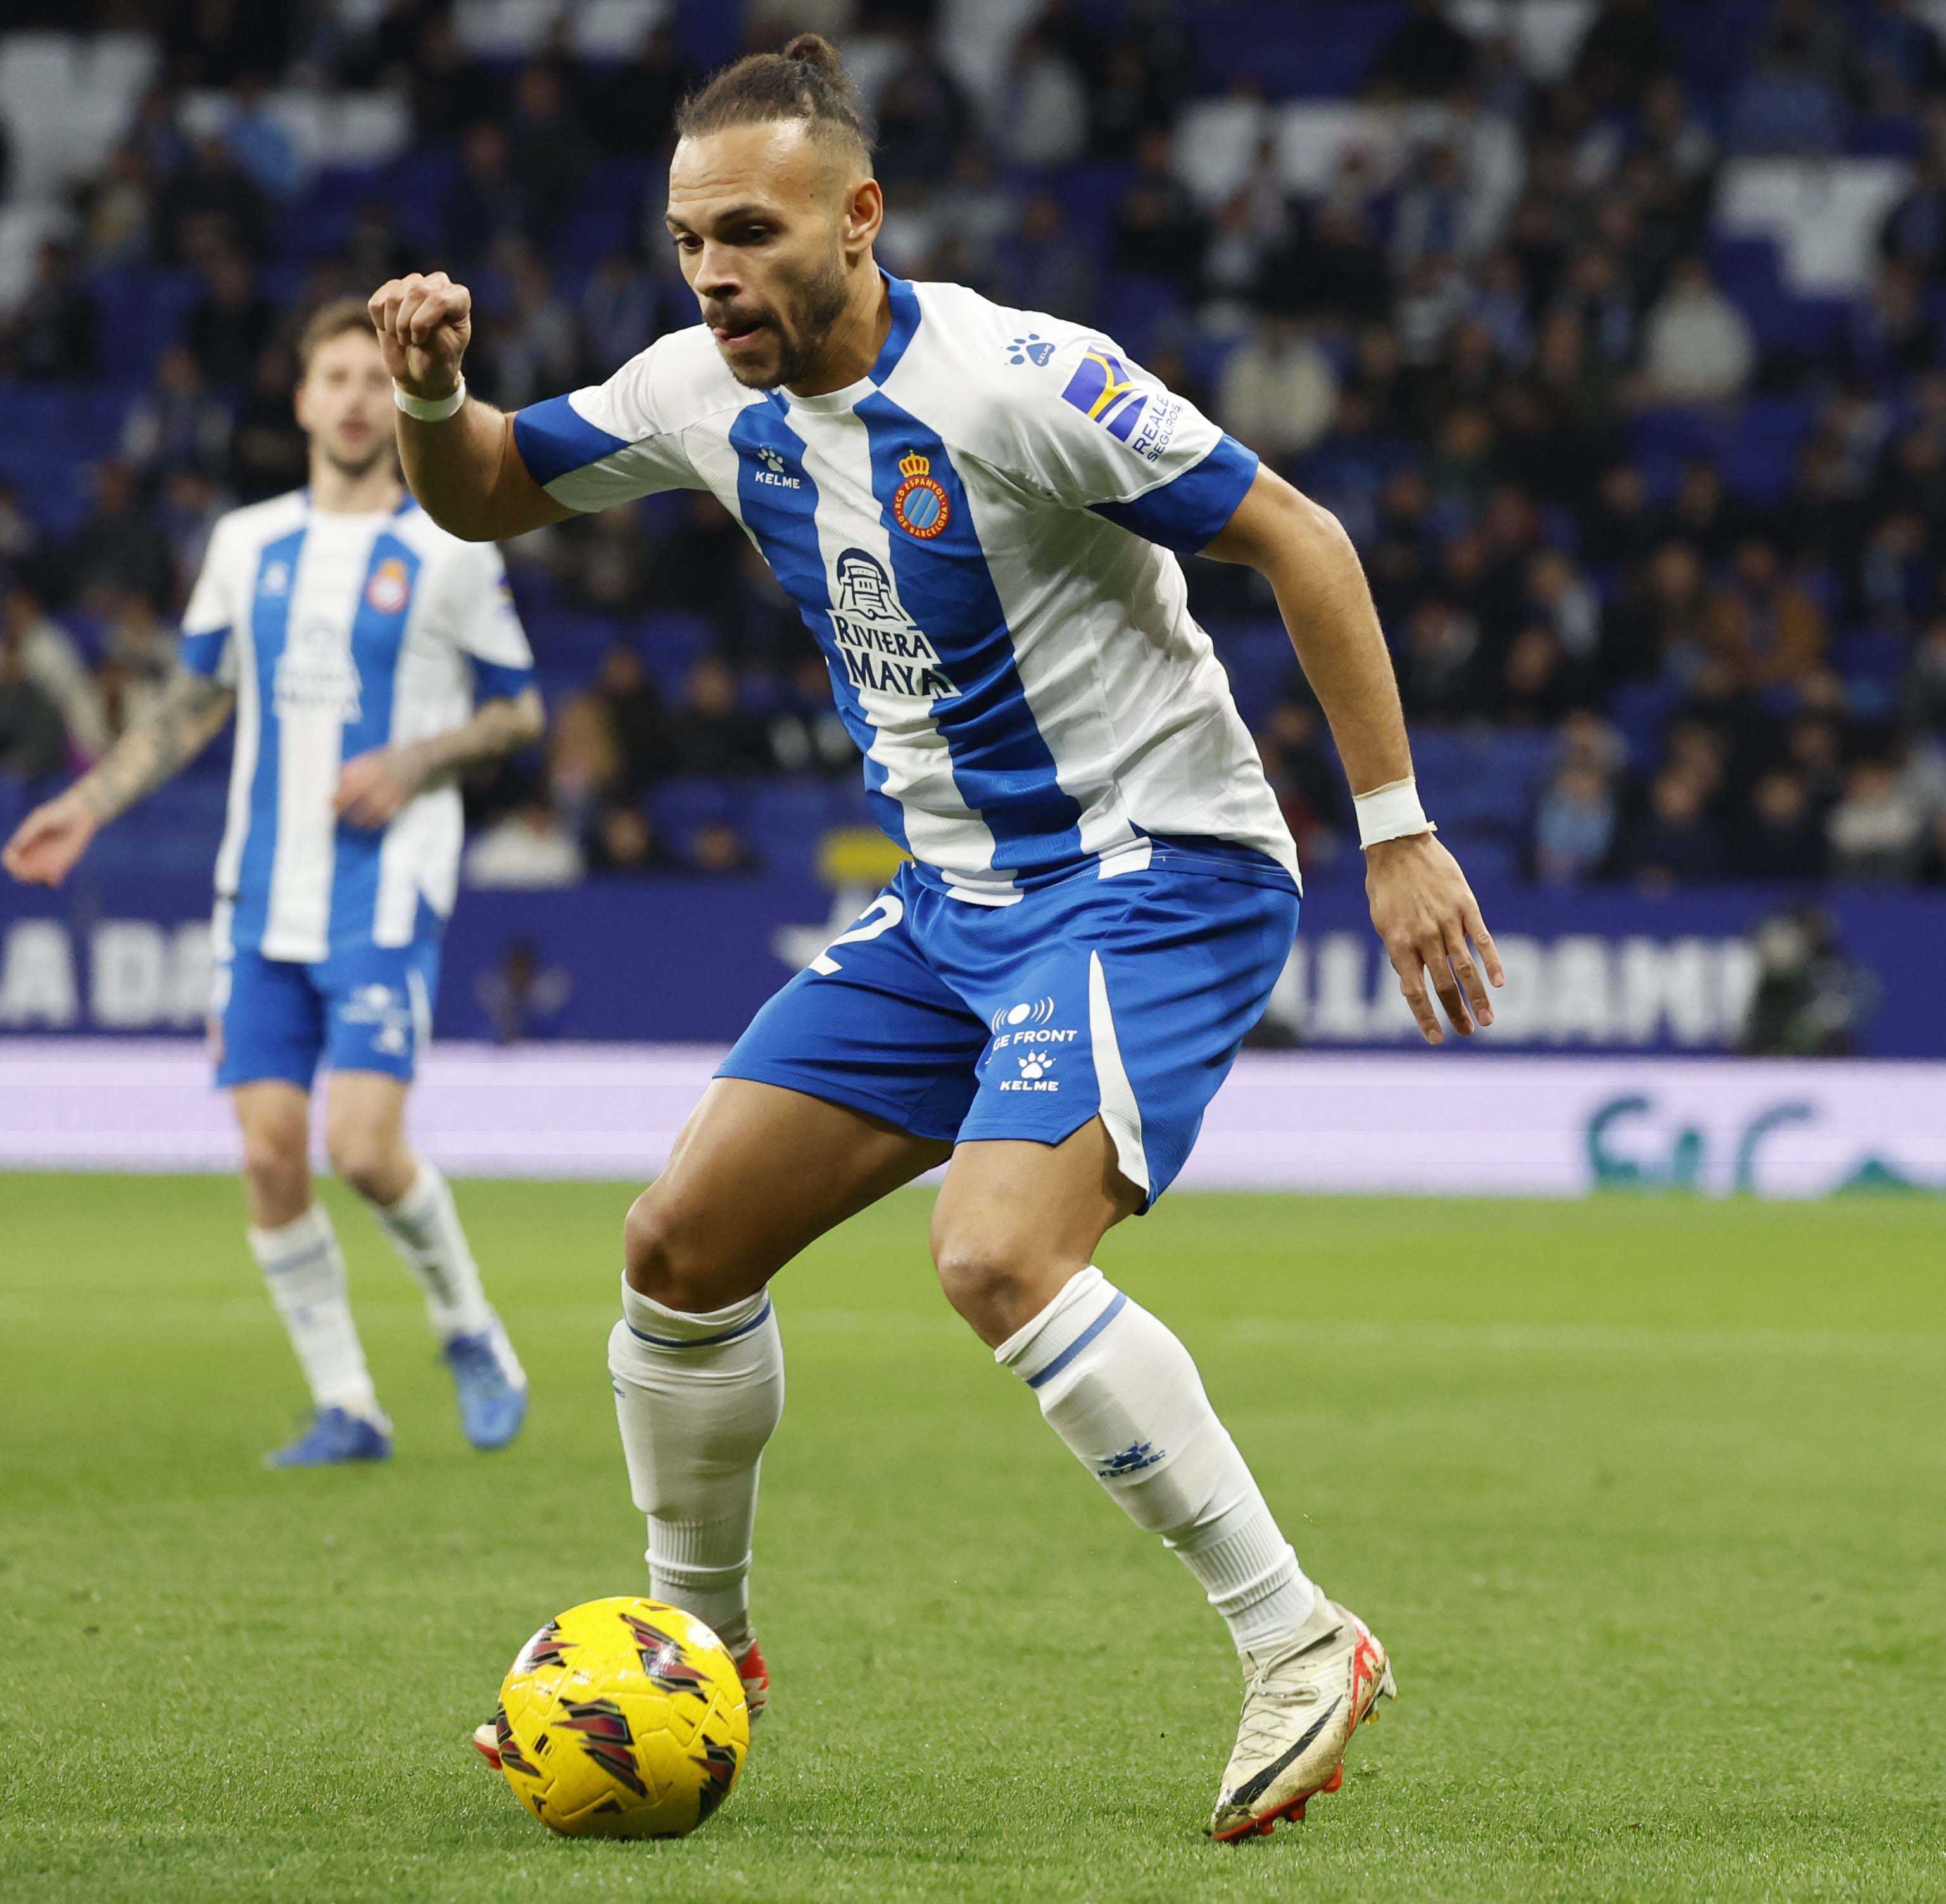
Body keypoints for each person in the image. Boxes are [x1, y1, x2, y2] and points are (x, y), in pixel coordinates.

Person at [373, 37, 1502, 1844]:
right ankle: (702, 1644)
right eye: (687, 241)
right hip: (952, 902)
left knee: (993, 1252)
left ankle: (1297, 1633)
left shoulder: (1020, 382)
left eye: (750, 234)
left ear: (861, 215)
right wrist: (433, 395)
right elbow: (492, 487)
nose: (713, 274)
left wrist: (1398, 830)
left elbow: (1301, 538)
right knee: (678, 1247)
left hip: (1152, 872)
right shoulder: (695, 390)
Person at [3, 303, 547, 1468]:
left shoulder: (450, 544)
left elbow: (518, 710)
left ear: (399, 399)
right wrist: (86, 806)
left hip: (384, 885)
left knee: (364, 1148)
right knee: (267, 1155)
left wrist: (412, 760)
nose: (353, 397)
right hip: (259, 892)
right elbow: (193, 703)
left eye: (373, 378)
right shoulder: (246, 544)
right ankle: (347, 1403)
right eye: (333, 377)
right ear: (300, 401)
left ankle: (468, 1326)